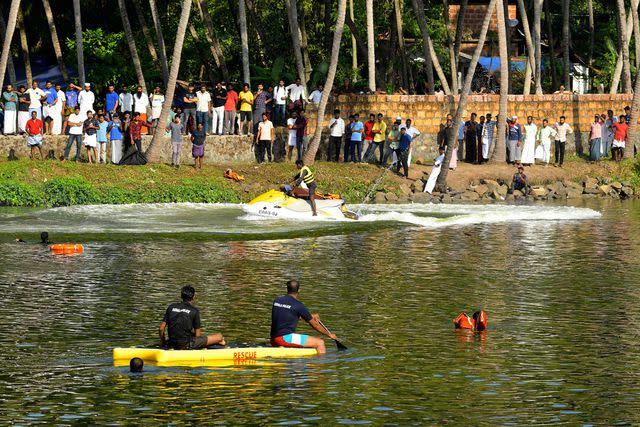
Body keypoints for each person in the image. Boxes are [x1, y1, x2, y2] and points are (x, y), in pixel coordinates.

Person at [270, 280, 337, 355]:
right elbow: (315, 325)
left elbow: (289, 314)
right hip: (285, 339)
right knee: (320, 342)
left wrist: (310, 316)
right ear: (299, 290)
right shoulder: (299, 305)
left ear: (287, 289)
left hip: (273, 339)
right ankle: (319, 365)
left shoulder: (277, 300)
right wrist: (329, 334)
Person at [159, 285, 225, 350]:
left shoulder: (171, 307)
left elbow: (161, 328)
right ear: (193, 297)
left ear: (181, 296)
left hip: (171, 343)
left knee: (190, 335)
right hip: (186, 345)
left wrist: (163, 343)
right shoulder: (194, 311)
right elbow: (197, 336)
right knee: (220, 337)